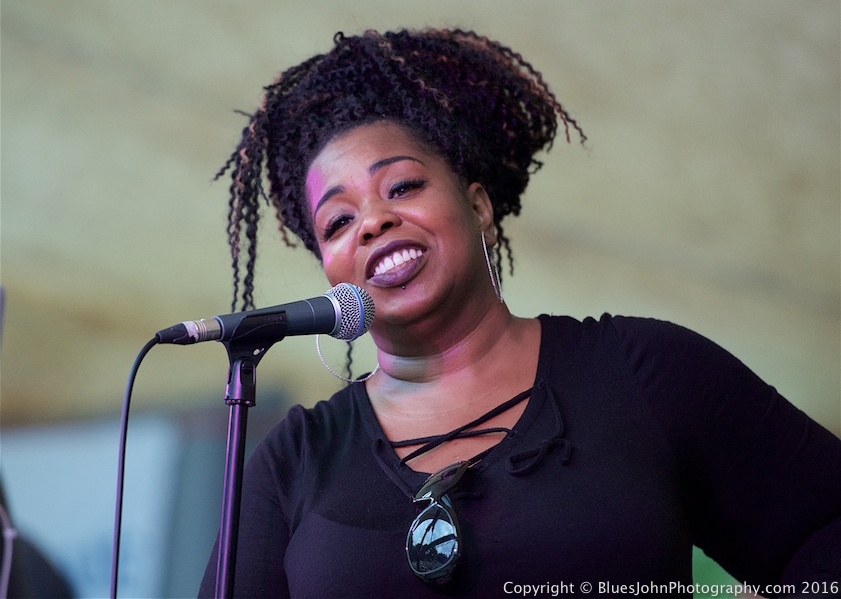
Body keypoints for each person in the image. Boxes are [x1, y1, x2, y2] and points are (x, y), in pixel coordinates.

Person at [199, 29, 841, 597]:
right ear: (328, 267)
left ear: (478, 205)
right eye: (339, 221)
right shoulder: (296, 459)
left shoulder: (645, 374)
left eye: (404, 186)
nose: (374, 221)